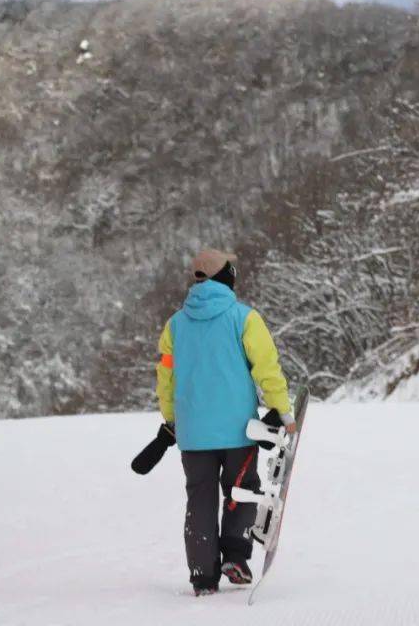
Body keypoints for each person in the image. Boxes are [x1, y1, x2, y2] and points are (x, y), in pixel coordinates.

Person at [155, 248, 295, 596]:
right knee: (241, 489)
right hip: (237, 430)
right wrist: (282, 409)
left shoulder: (174, 325)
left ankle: (203, 573)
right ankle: (235, 556)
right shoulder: (244, 318)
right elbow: (266, 368)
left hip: (193, 434)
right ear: (227, 276)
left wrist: (171, 418)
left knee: (199, 498)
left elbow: (165, 378)